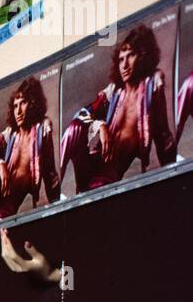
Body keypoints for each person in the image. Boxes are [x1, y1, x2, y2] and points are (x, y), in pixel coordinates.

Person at [60, 22, 176, 192]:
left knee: (97, 188)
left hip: (107, 174)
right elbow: (81, 114)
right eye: (121, 59)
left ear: (143, 56)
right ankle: (56, 197)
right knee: (74, 128)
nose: (125, 65)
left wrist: (174, 175)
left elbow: (163, 136)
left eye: (130, 56)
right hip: (89, 161)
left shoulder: (152, 87)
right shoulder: (113, 92)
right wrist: (101, 127)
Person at [0, 75, 60, 224]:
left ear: (32, 103)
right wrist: (0, 164)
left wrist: (58, 208)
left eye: (22, 103)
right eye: (15, 105)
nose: (18, 111)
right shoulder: (9, 134)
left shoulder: (43, 129)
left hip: (7, 206)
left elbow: (50, 173)